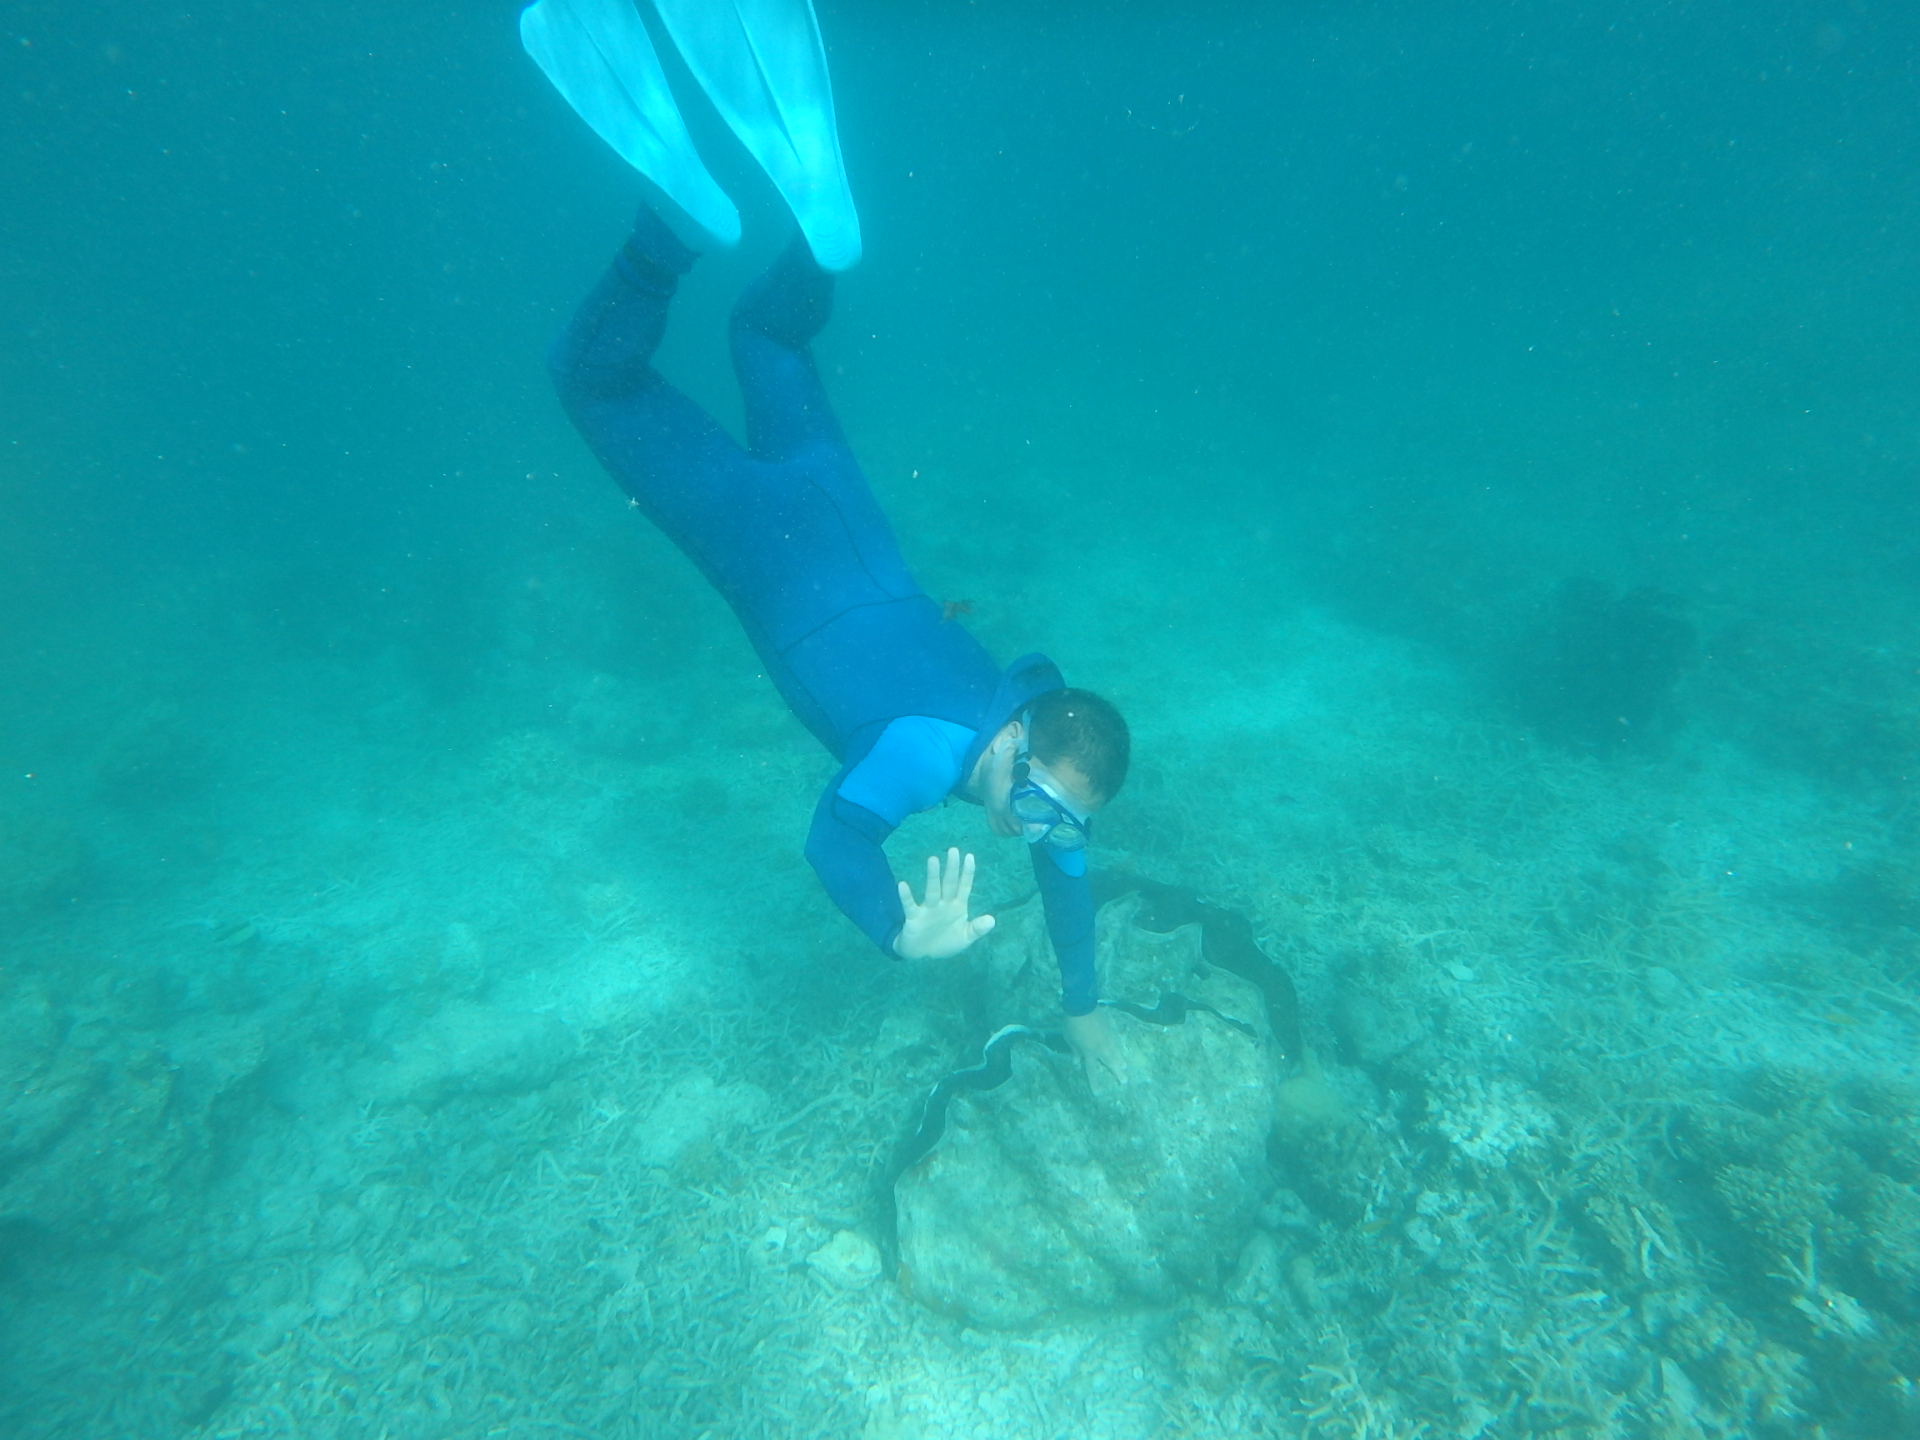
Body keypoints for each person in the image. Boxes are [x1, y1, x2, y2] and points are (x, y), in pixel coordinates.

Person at [522, 0, 1131, 1084]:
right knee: (593, 379)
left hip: (843, 508)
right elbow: (833, 841)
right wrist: (897, 930)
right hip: (762, 543)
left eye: (1060, 824)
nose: (1035, 833)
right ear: (1017, 745)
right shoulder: (930, 755)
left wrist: (1083, 1008)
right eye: (1039, 807)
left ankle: (817, 239)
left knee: (766, 333)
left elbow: (1067, 876)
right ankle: (669, 229)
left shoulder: (1022, 717)